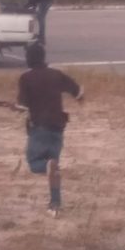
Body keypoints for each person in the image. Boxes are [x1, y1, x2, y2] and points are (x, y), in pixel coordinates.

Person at [17, 43, 84, 217]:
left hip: (39, 128)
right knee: (54, 170)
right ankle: (55, 204)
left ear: (29, 58)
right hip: (58, 128)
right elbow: (77, 90)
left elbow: (22, 107)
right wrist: (80, 99)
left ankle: (47, 169)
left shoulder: (26, 78)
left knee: (35, 164)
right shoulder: (56, 75)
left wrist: (14, 107)